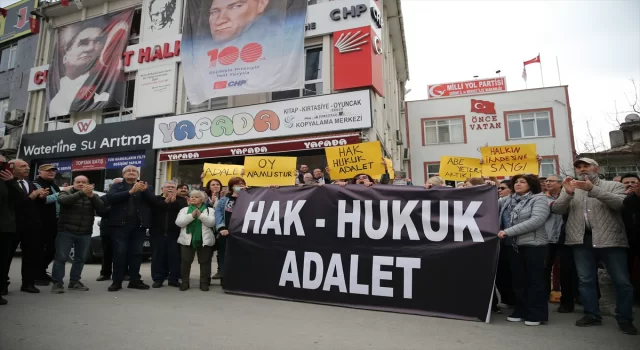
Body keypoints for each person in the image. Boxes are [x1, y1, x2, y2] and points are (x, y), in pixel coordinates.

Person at [551, 158, 637, 335]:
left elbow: (621, 204)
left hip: (610, 239)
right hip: (581, 240)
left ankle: (624, 318)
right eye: (579, 167)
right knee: (586, 280)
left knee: (622, 282)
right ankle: (592, 314)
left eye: (586, 166)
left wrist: (593, 190)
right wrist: (567, 193)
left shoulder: (613, 185)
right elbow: (558, 209)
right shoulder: (571, 187)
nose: (583, 170)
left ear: (597, 168)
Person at [498, 174, 550, 326]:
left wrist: (509, 231)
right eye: (516, 182)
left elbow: (536, 220)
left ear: (531, 185)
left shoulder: (539, 199)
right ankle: (521, 310)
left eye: (523, 182)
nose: (518, 184)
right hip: (513, 246)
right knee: (518, 281)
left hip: (533, 245)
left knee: (535, 280)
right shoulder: (508, 200)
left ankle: (536, 314)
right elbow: (488, 203)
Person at [51, 176, 105, 294]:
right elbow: (63, 201)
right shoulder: (65, 192)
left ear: (89, 184)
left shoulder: (92, 195)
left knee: (80, 259)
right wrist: (81, 193)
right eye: (78, 182)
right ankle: (57, 283)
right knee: (61, 258)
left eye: (84, 182)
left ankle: (74, 281)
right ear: (73, 183)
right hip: (66, 231)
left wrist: (91, 196)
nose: (81, 184)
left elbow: (102, 208)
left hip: (85, 232)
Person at [105, 166, 155, 292]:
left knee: (136, 254)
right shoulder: (116, 186)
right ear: (123, 174)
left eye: (134, 171)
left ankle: (135, 280)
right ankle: (117, 281)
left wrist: (145, 192)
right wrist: (130, 192)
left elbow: (153, 203)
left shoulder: (146, 187)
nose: (132, 172)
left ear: (138, 175)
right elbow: (110, 199)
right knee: (119, 253)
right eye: (129, 171)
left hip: (139, 226)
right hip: (120, 225)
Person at [6, 160, 47, 294]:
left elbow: (34, 204)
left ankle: (28, 284)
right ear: (12, 168)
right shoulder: (7, 184)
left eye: (28, 166)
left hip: (31, 226)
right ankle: (3, 284)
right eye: (23, 166)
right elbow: (15, 203)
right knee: (6, 256)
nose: (27, 168)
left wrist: (41, 197)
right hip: (13, 225)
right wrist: (32, 196)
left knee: (30, 256)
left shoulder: (30, 184)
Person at [543, 174, 579, 312]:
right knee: (544, 270)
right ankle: (542, 298)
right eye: (546, 181)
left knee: (567, 271)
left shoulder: (572, 196)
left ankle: (567, 302)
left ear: (560, 184)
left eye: (551, 181)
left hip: (567, 238)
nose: (547, 183)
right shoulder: (541, 198)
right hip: (547, 238)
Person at [175, 190, 216, 291]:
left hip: (204, 240)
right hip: (187, 240)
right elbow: (179, 223)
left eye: (196, 197)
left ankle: (204, 283)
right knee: (185, 262)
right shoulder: (184, 210)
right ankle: (185, 282)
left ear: (202, 199)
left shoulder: (210, 210)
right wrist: (191, 216)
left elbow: (212, 223)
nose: (193, 198)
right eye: (191, 196)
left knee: (205, 262)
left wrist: (200, 215)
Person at [150, 181, 187, 288]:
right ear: (162, 189)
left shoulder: (181, 201)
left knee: (175, 257)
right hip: (158, 233)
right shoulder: (156, 199)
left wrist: (174, 203)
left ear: (176, 189)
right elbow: (153, 211)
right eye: (168, 187)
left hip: (175, 233)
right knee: (157, 257)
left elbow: (184, 212)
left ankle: (173, 279)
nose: (170, 189)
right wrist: (165, 202)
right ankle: (158, 279)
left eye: (172, 187)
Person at [33, 164, 65, 286]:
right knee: (40, 249)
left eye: (53, 171)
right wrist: (61, 194)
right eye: (48, 171)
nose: (51, 172)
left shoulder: (53, 184)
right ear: (40, 172)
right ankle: (37, 273)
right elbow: (44, 200)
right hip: (41, 222)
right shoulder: (36, 184)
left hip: (54, 221)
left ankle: (41, 270)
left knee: (53, 248)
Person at [215, 177, 247, 287]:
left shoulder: (250, 198)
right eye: (237, 184)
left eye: (242, 183)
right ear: (231, 187)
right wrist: (221, 228)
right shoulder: (224, 200)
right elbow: (218, 214)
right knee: (224, 256)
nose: (240, 186)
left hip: (242, 234)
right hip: (226, 233)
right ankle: (224, 278)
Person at [0, 155, 24, 304]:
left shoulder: (9, 182)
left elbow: (21, 199)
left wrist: (11, 182)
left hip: (5, 228)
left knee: (2, 261)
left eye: (3, 164)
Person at [96, 178, 123, 282]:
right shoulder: (104, 198)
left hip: (122, 229)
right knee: (107, 252)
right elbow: (101, 212)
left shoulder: (126, 198)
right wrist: (113, 208)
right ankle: (105, 273)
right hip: (107, 229)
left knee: (121, 252)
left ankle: (124, 273)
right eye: (116, 185)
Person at [621, 174, 640, 303]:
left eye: (633, 182)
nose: (630, 184)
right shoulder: (622, 200)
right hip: (623, 241)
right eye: (626, 182)